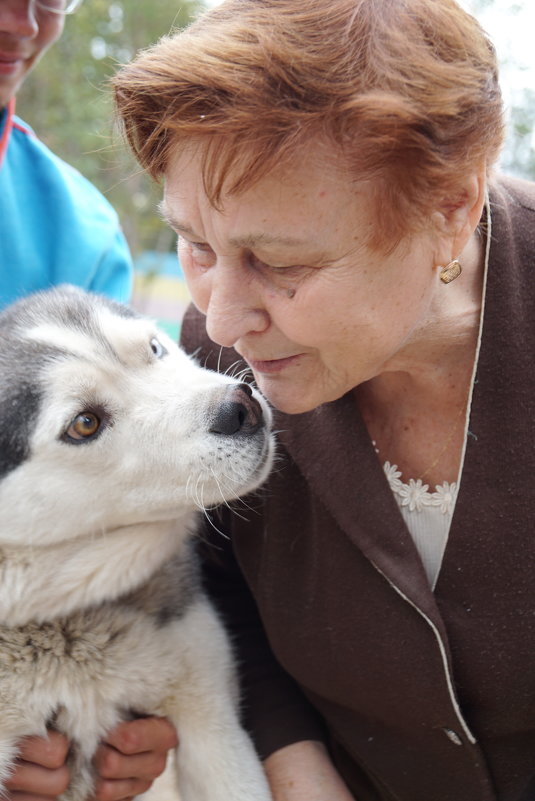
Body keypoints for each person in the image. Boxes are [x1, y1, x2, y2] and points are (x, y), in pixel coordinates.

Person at [112, 0, 535, 799]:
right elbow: (220, 577)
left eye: (280, 262)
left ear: (449, 211)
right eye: (196, 243)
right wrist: (293, 761)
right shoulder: (214, 356)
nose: (225, 318)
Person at [0, 1, 176, 798]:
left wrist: (101, 719)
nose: (24, 26)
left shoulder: (80, 232)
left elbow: (123, 511)